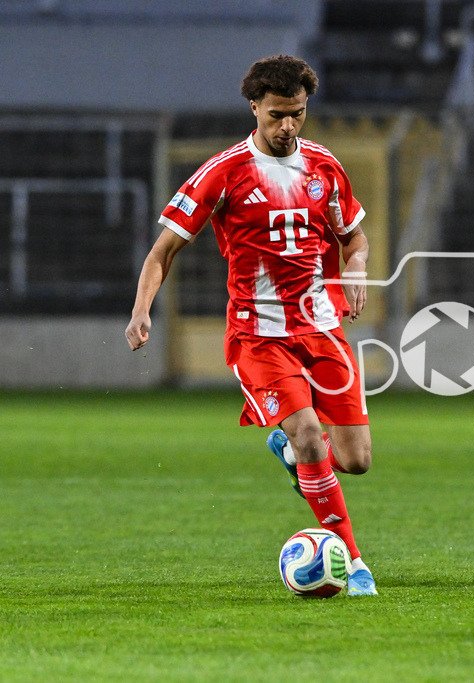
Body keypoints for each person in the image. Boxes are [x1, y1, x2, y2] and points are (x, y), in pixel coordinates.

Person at [125, 54, 378, 595]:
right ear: (255, 107)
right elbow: (164, 249)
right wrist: (142, 308)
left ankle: (293, 456)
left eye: (299, 114)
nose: (288, 126)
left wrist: (355, 269)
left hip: (322, 328)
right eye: (278, 115)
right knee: (310, 434)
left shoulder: (324, 166)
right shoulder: (224, 171)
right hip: (258, 336)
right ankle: (353, 564)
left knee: (355, 460)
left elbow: (354, 236)